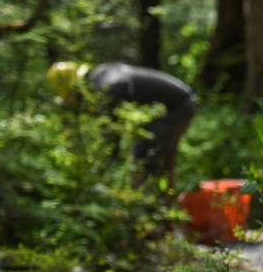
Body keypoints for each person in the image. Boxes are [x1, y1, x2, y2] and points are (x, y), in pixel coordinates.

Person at [46, 61, 197, 190]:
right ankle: (166, 208)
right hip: (178, 103)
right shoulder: (100, 75)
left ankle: (147, 209)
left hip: (179, 106)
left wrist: (100, 172)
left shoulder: (107, 88)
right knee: (159, 155)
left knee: (144, 155)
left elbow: (111, 138)